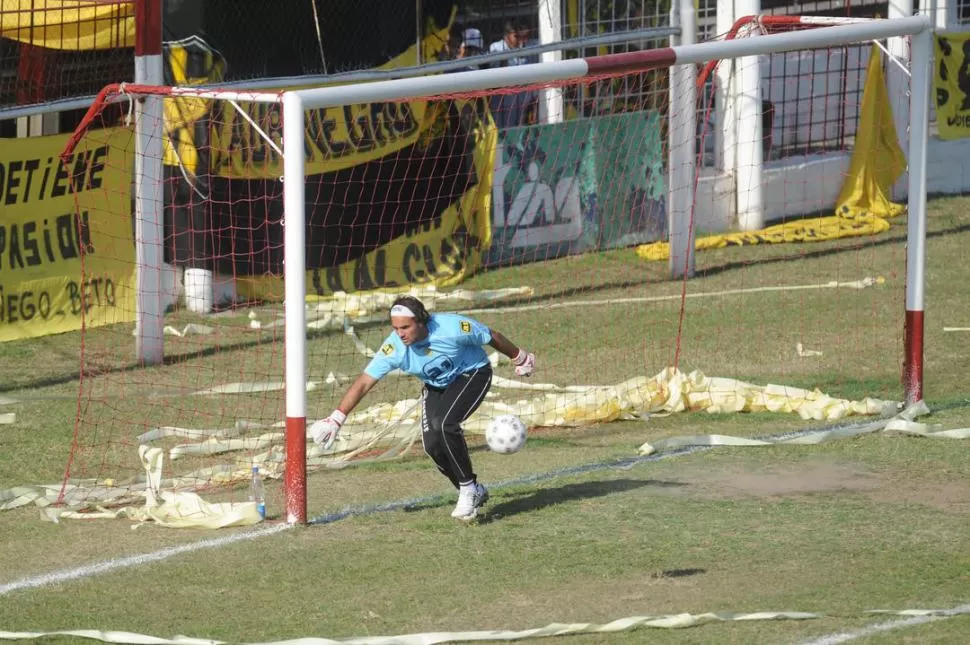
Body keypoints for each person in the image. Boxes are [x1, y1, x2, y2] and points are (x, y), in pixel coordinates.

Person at [309, 296, 537, 521]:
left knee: (445, 424)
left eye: (405, 327)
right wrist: (336, 419)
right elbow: (364, 382)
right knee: (432, 445)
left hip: (473, 373)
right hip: (436, 385)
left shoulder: (452, 327)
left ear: (422, 321)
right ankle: (474, 490)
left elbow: (491, 336)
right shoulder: (394, 347)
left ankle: (467, 488)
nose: (400, 333)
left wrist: (520, 357)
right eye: (396, 328)